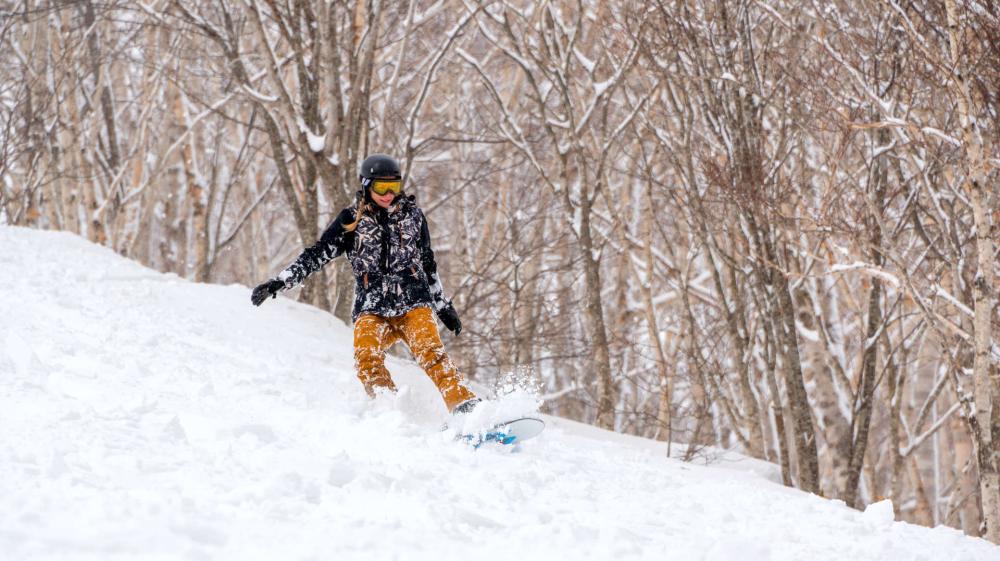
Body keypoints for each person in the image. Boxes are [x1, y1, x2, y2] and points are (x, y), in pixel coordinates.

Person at [251, 154, 480, 416]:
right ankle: (389, 408)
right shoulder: (351, 220)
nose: (388, 195)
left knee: (431, 353)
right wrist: (280, 281)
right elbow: (317, 254)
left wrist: (442, 306)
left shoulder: (413, 216)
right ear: (367, 185)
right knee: (366, 356)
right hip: (372, 307)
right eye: (382, 188)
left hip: (413, 301)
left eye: (394, 187)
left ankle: (466, 408)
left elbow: (428, 263)